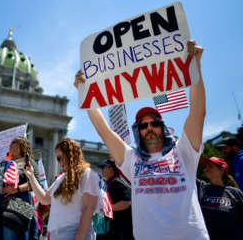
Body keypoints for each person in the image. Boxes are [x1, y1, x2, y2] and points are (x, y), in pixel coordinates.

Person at [74, 40, 209, 239]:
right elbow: (104, 131)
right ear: (139, 131)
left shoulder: (184, 152)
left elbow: (198, 113)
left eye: (154, 123)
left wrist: (195, 64)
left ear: (162, 128)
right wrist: (84, 91)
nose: (149, 129)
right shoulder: (132, 159)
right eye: (143, 126)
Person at [25, 138, 103, 240]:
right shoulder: (61, 179)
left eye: (59, 158)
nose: (59, 162)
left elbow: (90, 208)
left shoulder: (87, 174)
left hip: (75, 234)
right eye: (57, 158)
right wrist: (31, 176)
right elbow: (44, 199)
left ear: (70, 154)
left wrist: (79, 237)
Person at [0, 136, 40, 240]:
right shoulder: (3, 163)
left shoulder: (28, 162)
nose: (10, 145)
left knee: (11, 237)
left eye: (13, 142)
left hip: (17, 204)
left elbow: (35, 183)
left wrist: (16, 189)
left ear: (21, 145)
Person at [197, 156, 243, 239]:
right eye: (206, 166)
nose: (206, 169)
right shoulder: (201, 187)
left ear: (221, 170)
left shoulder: (235, 193)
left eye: (210, 166)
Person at [99, 159, 133, 240]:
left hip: (121, 229)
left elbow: (126, 203)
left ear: (112, 168)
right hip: (114, 229)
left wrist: (104, 209)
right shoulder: (110, 183)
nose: (102, 169)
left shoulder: (117, 182)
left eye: (104, 167)